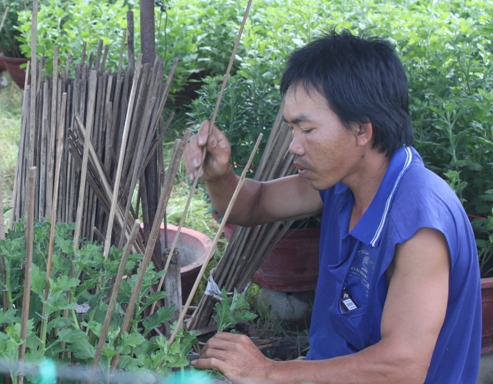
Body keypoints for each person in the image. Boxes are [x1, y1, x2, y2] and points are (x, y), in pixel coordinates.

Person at [184, 30, 482, 384]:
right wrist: (219, 175)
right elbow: (253, 205)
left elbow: (403, 366)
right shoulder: (344, 182)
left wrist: (269, 371)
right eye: (291, 128)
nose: (293, 146)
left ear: (361, 131)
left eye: (306, 129)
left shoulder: (419, 222)